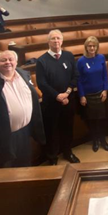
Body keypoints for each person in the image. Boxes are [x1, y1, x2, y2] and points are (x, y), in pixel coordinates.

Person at [0, 50, 45, 168]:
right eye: (3, 60)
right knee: (8, 166)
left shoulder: (24, 75)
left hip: (26, 130)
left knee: (25, 162)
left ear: (16, 62)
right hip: (6, 136)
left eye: (11, 59)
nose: (8, 62)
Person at [36, 30, 79, 165]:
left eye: (58, 38)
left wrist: (66, 93)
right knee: (52, 131)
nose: (56, 41)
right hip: (51, 103)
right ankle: (52, 157)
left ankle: (68, 152)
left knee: (68, 128)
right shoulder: (42, 61)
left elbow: (75, 76)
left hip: (68, 101)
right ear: (48, 41)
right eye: (53, 39)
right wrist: (57, 96)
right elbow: (42, 84)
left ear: (62, 41)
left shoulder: (69, 56)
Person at [77, 36, 108, 152]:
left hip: (100, 94)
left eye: (94, 46)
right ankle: (95, 140)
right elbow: (79, 80)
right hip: (88, 96)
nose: (92, 48)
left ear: (97, 47)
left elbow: (105, 75)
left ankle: (103, 140)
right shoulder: (81, 61)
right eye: (89, 46)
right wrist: (82, 95)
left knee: (102, 119)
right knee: (92, 120)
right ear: (86, 47)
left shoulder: (101, 58)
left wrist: (105, 90)